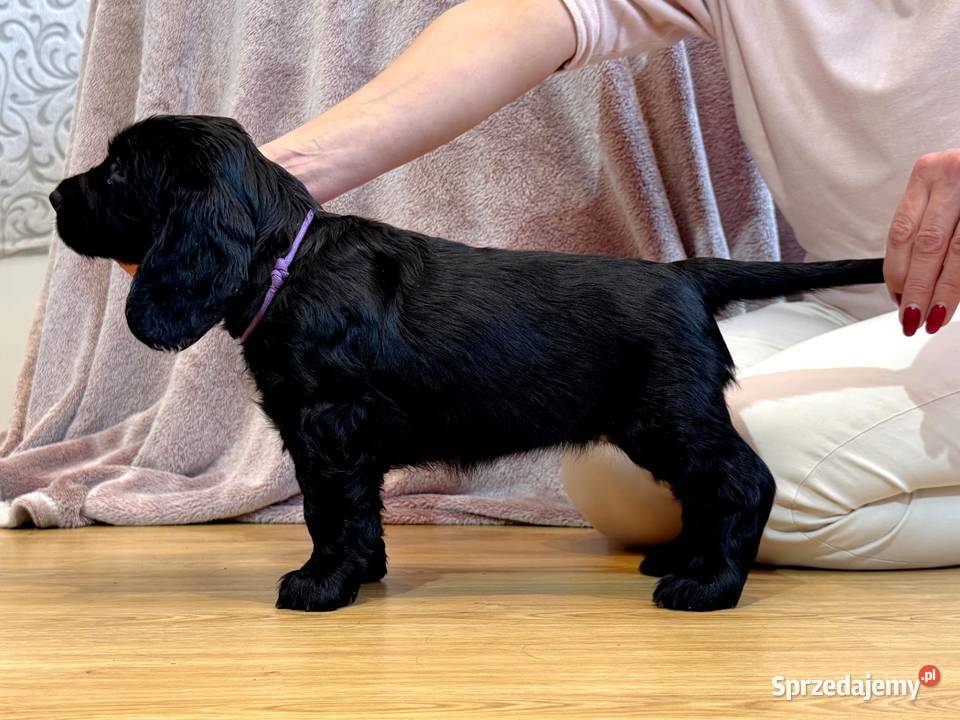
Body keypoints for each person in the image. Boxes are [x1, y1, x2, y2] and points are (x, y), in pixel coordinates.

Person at [223, 0, 960, 569]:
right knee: (619, 484)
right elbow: (542, 13)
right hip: (853, 311)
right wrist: (260, 183)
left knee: (781, 484)